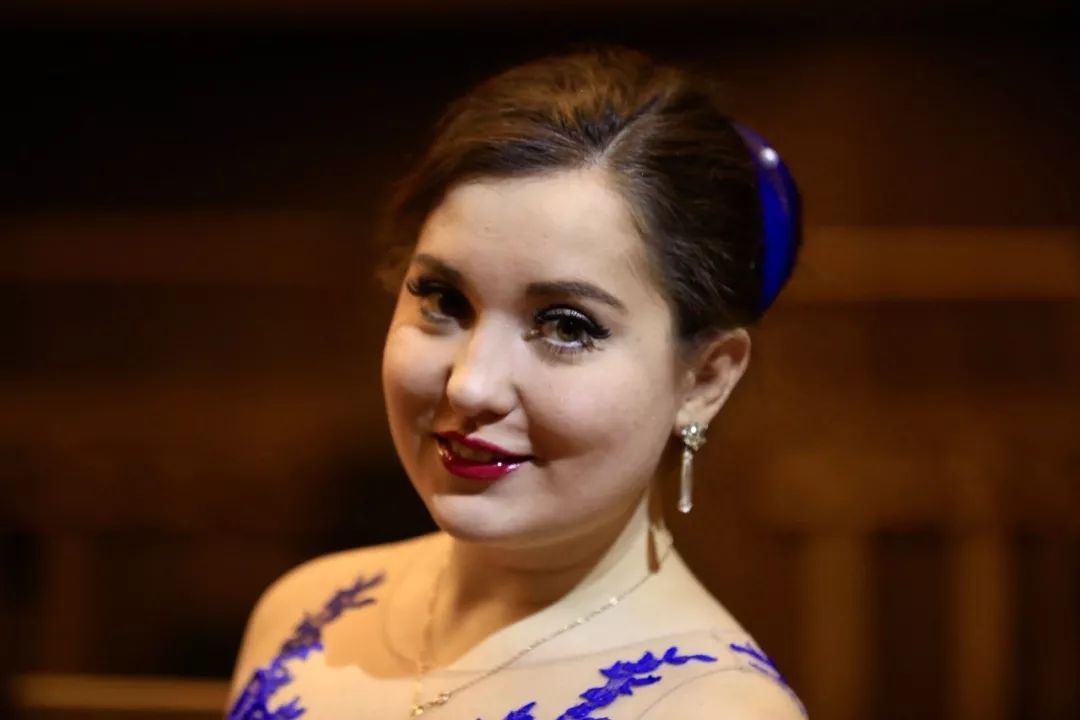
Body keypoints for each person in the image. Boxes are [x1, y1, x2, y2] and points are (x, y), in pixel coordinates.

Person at [227, 45, 806, 719]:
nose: (471, 386)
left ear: (704, 379)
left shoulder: (712, 708)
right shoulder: (304, 616)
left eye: (566, 326)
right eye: (444, 300)